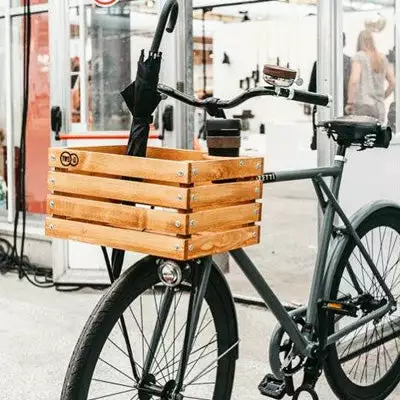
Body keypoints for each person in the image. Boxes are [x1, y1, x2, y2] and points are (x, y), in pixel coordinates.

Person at [345, 29, 396, 122]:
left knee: (362, 131)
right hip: (379, 107)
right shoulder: (382, 58)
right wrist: (383, 96)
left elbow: (354, 81)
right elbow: (393, 83)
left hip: (363, 106)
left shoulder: (359, 57)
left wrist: (350, 103)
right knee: (377, 131)